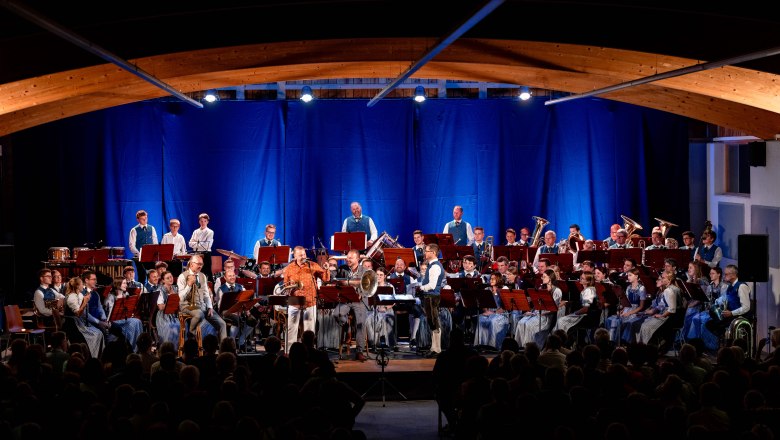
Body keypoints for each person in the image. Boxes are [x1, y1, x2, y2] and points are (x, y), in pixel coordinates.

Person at [284, 245, 330, 352]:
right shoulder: (288, 269)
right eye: (300, 255)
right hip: (294, 301)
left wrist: (326, 269)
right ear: (294, 256)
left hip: (310, 301)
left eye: (304, 254)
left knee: (310, 330)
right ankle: (289, 352)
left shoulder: (312, 265)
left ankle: (309, 351)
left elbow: (325, 278)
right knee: (291, 328)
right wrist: (289, 286)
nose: (303, 256)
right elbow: (286, 286)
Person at [177, 254, 227, 342]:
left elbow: (206, 294)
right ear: (191, 264)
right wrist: (189, 285)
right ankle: (191, 332)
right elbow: (181, 297)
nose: (200, 266)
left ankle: (224, 350)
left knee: (222, 324)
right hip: (187, 305)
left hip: (202, 305)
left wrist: (210, 307)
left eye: (201, 264)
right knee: (199, 314)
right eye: (198, 264)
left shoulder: (202, 276)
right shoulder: (182, 276)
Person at [334, 249, 369, 360]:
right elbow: (335, 279)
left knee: (361, 323)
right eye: (347, 257)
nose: (347, 259)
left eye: (350, 258)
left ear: (358, 259)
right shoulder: (342, 269)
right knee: (337, 314)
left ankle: (359, 351)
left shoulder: (365, 271)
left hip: (360, 300)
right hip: (346, 299)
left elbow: (369, 286)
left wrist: (361, 294)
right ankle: (347, 328)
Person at [515, 269, 562, 347]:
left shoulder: (557, 291)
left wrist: (540, 313)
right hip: (536, 313)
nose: (542, 278)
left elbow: (553, 308)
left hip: (546, 317)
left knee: (529, 325)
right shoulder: (541, 289)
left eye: (544, 277)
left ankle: (529, 347)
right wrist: (531, 311)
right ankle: (520, 346)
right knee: (521, 322)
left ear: (550, 278)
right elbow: (536, 304)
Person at [705, 264, 751, 343]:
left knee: (716, 325)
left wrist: (731, 313)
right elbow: (725, 297)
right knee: (709, 323)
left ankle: (727, 341)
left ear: (733, 275)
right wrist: (715, 302)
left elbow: (746, 307)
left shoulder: (741, 286)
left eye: (726, 274)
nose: (724, 276)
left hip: (738, 316)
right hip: (730, 314)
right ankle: (724, 339)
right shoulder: (730, 286)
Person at [686, 266, 727, 351]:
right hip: (710, 310)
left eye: (713, 273)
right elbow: (707, 300)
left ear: (718, 274)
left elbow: (724, 301)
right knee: (695, 318)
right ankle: (694, 342)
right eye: (710, 273)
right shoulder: (710, 286)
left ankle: (708, 344)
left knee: (703, 321)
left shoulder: (724, 286)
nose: (710, 275)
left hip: (718, 312)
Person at [637, 271, 682, 348]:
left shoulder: (669, 290)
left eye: (663, 278)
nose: (661, 279)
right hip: (670, 315)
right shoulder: (669, 289)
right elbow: (661, 305)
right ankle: (644, 346)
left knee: (647, 326)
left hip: (670, 318)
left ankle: (648, 347)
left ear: (669, 280)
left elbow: (672, 309)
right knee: (645, 325)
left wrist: (661, 315)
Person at [62, 276, 104, 358]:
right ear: (77, 286)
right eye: (81, 284)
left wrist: (85, 299)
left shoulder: (79, 294)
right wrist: (85, 302)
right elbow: (78, 313)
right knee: (96, 334)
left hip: (79, 322)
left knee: (99, 333)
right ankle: (91, 356)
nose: (83, 286)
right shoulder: (71, 297)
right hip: (72, 324)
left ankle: (97, 356)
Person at [554, 272, 599, 346]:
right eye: (580, 277)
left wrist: (574, 314)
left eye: (583, 278)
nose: (580, 279)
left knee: (561, 321)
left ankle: (562, 344)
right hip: (583, 314)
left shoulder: (589, 291)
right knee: (561, 320)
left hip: (587, 317)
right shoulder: (586, 290)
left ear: (588, 281)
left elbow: (585, 309)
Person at [216, 269, 255, 351]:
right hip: (226, 312)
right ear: (225, 278)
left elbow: (245, 300)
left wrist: (247, 311)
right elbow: (220, 306)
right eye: (230, 276)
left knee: (252, 321)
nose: (232, 277)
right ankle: (232, 343)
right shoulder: (221, 289)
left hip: (240, 311)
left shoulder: (241, 287)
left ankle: (240, 342)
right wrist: (232, 311)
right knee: (236, 320)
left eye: (233, 275)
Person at [419, 243, 446, 357]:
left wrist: (421, 287)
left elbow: (432, 285)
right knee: (432, 322)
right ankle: (433, 347)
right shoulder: (431, 265)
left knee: (434, 322)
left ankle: (437, 349)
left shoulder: (435, 266)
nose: (425, 253)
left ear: (433, 253)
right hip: (429, 297)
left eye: (427, 251)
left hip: (431, 297)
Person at [103, 276, 144, 351]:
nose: (126, 285)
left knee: (138, 321)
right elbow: (110, 314)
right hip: (114, 321)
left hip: (124, 318)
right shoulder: (111, 297)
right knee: (133, 324)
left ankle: (138, 348)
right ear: (118, 284)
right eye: (124, 283)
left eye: (126, 283)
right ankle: (131, 349)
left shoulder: (126, 294)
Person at [608, 268, 648, 344]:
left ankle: (623, 342)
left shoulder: (641, 288)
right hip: (627, 309)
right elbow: (626, 302)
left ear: (636, 276)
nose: (628, 277)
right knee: (613, 320)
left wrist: (630, 313)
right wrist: (622, 310)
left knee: (624, 322)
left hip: (635, 311)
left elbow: (641, 306)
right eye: (628, 275)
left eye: (630, 275)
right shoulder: (628, 287)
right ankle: (612, 342)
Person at [474, 272, 509, 351]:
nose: (491, 280)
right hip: (489, 312)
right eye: (490, 278)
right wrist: (486, 311)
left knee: (493, 321)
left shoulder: (503, 290)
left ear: (498, 279)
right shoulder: (487, 289)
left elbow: (505, 307)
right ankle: (481, 345)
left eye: (493, 279)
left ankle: (493, 346)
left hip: (501, 314)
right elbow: (483, 304)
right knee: (481, 319)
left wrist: (493, 313)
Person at [366, 267, 396, 349]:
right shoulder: (372, 286)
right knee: (368, 319)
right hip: (375, 309)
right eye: (377, 275)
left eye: (381, 275)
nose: (379, 276)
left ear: (385, 276)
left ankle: (384, 342)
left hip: (387, 308)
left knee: (383, 318)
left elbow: (393, 302)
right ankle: (373, 342)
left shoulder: (390, 286)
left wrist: (385, 308)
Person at [128, 209, 158, 284]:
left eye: (146, 218)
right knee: (142, 276)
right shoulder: (134, 230)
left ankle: (152, 291)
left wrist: (154, 253)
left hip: (150, 257)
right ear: (138, 219)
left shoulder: (152, 228)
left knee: (152, 275)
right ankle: (141, 291)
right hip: (139, 257)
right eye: (142, 219)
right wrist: (140, 254)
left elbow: (155, 242)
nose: (145, 220)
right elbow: (132, 246)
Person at [154, 270, 180, 347]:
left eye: (171, 277)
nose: (170, 279)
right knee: (170, 326)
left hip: (174, 314)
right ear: (163, 280)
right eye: (167, 278)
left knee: (181, 324)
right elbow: (160, 306)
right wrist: (172, 303)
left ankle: (179, 349)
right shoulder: (160, 290)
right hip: (164, 315)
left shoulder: (175, 288)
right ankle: (168, 348)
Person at [189, 213, 214, 280]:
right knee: (196, 272)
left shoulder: (210, 232)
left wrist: (196, 243)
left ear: (207, 222)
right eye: (201, 221)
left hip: (206, 254)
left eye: (205, 221)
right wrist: (201, 243)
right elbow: (190, 243)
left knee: (207, 272)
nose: (203, 223)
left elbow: (206, 246)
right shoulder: (195, 231)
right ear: (199, 221)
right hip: (196, 254)